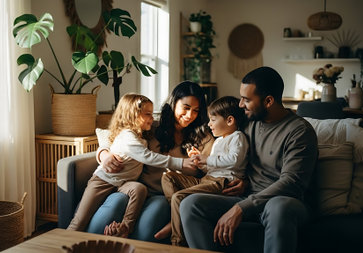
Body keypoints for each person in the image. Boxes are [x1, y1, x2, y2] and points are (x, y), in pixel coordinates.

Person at [180, 66, 318, 253]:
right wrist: (243, 181)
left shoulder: (299, 131)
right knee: (190, 204)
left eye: (246, 100)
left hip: (284, 202)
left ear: (268, 101)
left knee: (278, 206)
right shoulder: (248, 124)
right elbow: (237, 157)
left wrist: (241, 208)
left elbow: (292, 183)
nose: (240, 105)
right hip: (247, 196)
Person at [88, 81, 246, 242]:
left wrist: (242, 180)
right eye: (186, 107)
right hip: (134, 188)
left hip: (163, 196)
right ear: (173, 103)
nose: (190, 115)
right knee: (108, 213)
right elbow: (116, 135)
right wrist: (104, 154)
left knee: (144, 232)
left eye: (196, 111)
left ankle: (171, 224)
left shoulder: (206, 137)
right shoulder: (153, 127)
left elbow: (220, 165)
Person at [67, 93, 195, 237]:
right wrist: (181, 163)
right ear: (132, 115)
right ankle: (62, 245)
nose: (152, 119)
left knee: (139, 188)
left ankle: (126, 227)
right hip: (103, 181)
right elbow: (148, 157)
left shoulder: (141, 136)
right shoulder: (127, 136)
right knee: (79, 221)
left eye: (152, 114)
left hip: (124, 184)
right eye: (148, 114)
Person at [160, 96, 249, 246]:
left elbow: (234, 160)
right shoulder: (219, 140)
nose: (209, 124)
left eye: (213, 120)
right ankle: (177, 215)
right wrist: (199, 162)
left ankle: (177, 243)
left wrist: (206, 159)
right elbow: (213, 167)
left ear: (230, 121)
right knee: (168, 177)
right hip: (208, 179)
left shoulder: (237, 137)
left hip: (222, 182)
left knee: (178, 197)